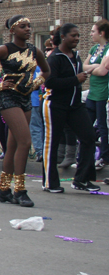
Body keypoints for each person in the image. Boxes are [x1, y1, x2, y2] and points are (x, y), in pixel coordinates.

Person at [0, 15, 50, 208]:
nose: (28, 29)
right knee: (25, 141)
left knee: (14, 144)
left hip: (25, 98)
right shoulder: (4, 49)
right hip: (8, 98)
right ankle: (20, 190)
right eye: (23, 26)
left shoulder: (34, 51)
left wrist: (36, 84)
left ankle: (3, 189)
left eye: (29, 26)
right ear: (12, 30)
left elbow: (46, 71)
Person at [41, 24, 100, 193]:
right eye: (73, 35)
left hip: (75, 106)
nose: (77, 38)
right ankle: (49, 183)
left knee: (89, 137)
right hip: (55, 105)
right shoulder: (55, 57)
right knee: (51, 143)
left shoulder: (76, 56)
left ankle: (82, 179)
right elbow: (50, 83)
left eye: (78, 35)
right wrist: (75, 79)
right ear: (64, 37)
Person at [83, 19, 109, 170]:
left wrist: (92, 69)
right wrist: (94, 66)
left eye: (93, 31)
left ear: (102, 33)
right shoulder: (94, 49)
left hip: (103, 92)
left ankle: (104, 157)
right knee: (87, 126)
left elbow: (103, 71)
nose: (91, 34)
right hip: (92, 92)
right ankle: (86, 156)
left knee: (102, 125)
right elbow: (84, 66)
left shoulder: (108, 49)